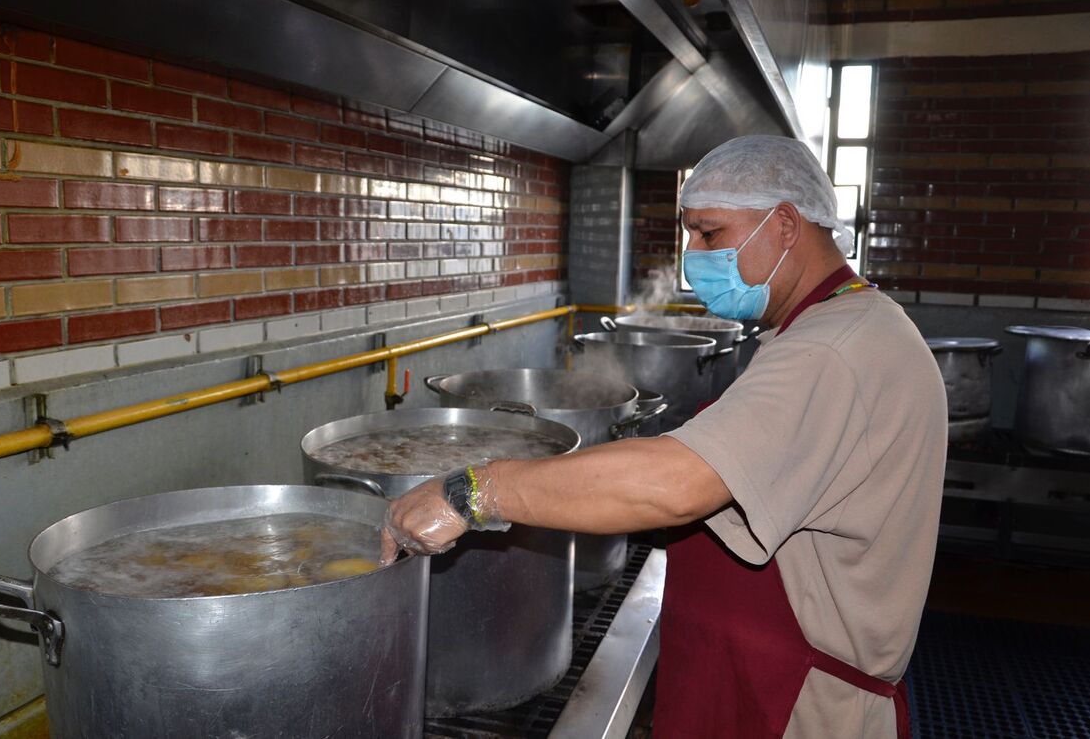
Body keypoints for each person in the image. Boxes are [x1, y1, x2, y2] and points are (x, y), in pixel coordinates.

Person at [380, 135, 946, 738]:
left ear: (784, 224)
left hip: (796, 706)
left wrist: (473, 490)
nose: (692, 253)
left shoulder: (834, 350)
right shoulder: (833, 326)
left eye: (709, 234)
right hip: (758, 679)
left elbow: (678, 482)